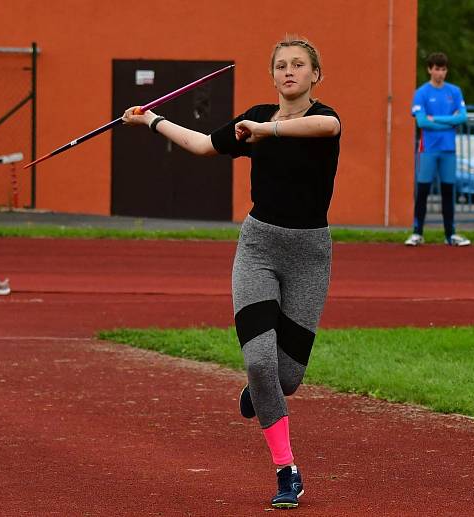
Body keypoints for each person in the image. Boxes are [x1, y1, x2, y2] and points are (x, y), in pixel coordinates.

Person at [123, 36, 340, 510]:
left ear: (314, 75)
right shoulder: (256, 116)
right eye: (281, 65)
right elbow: (202, 145)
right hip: (259, 247)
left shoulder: (321, 121)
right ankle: (287, 471)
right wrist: (151, 120)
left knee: (286, 380)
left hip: (309, 256)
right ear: (273, 75)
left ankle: (261, 394)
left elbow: (326, 126)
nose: (289, 72)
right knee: (260, 364)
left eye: (299, 65)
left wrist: (266, 132)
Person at [405, 52, 470, 247]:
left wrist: (438, 119)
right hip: (428, 149)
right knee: (423, 190)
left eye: (443, 69)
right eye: (436, 69)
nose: (439, 73)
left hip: (448, 149)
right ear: (429, 69)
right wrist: (450, 121)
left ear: (446, 70)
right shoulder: (422, 93)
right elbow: (423, 122)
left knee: (448, 191)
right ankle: (418, 232)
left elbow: (463, 117)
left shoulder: (455, 91)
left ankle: (450, 234)